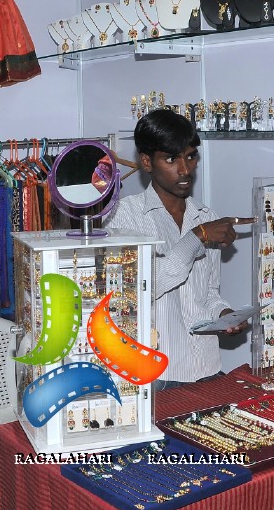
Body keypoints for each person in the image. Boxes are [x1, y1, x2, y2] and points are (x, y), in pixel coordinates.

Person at [104, 108, 252, 389]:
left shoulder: (206, 217)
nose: (185, 169)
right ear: (147, 162)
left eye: (190, 156)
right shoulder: (123, 218)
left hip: (206, 368)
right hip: (155, 376)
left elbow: (207, 292)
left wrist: (223, 316)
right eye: (171, 159)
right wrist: (196, 238)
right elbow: (135, 292)